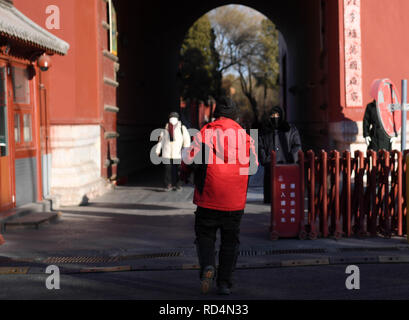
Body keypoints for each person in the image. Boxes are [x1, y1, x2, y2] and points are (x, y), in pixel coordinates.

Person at [180, 97, 258, 295]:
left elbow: (189, 159)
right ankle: (224, 283)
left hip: (208, 197)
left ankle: (207, 266)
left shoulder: (206, 132)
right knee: (230, 243)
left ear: (217, 115)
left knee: (205, 236)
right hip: (234, 201)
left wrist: (185, 168)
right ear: (234, 116)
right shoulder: (246, 137)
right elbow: (254, 167)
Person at [258, 106, 302, 203]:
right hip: (270, 168)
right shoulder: (265, 131)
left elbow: (297, 145)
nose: (275, 117)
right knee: (271, 197)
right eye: (272, 115)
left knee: (285, 196)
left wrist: (290, 159)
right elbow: (260, 146)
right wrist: (265, 160)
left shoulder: (290, 129)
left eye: (277, 115)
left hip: (286, 167)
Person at [155, 112, 191, 191]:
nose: (172, 120)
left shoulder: (182, 128)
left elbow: (187, 140)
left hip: (177, 152)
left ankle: (178, 184)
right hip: (167, 152)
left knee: (178, 169)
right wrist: (157, 150)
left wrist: (186, 150)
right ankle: (168, 184)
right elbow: (161, 141)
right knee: (168, 169)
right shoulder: (166, 129)